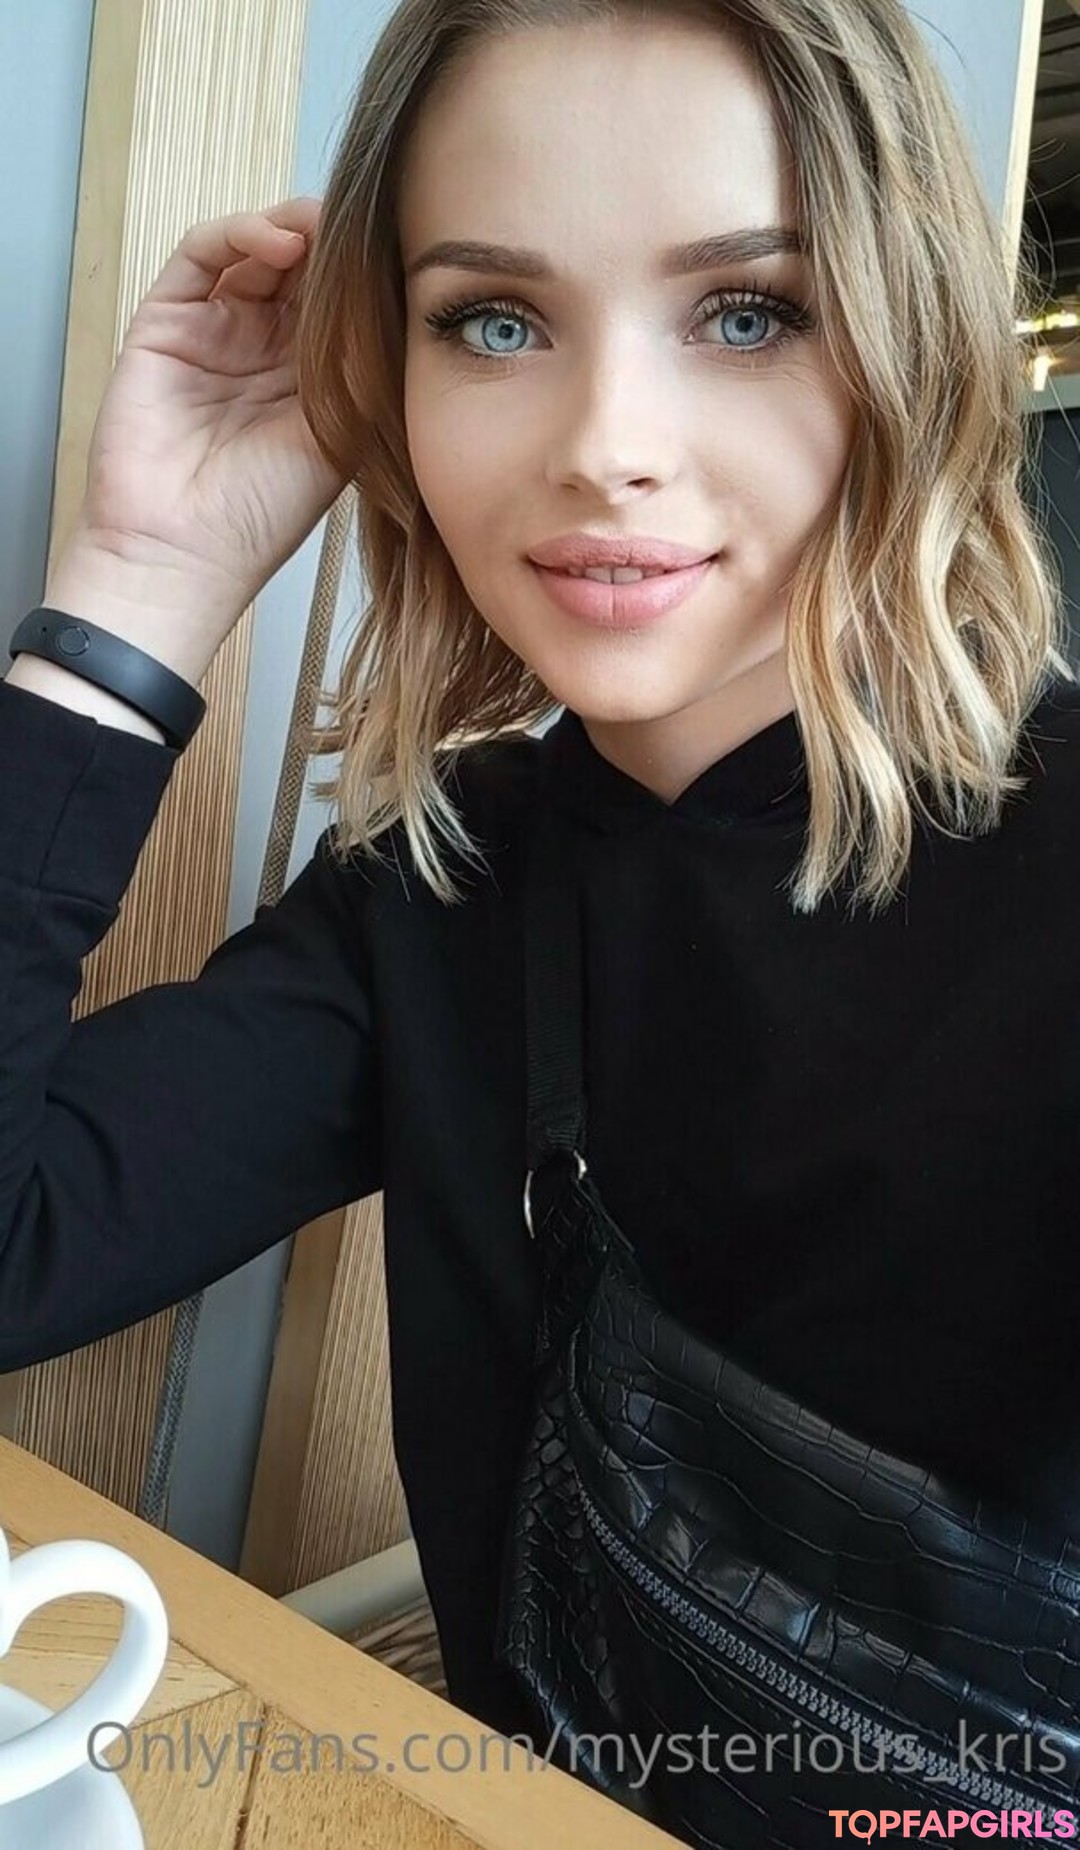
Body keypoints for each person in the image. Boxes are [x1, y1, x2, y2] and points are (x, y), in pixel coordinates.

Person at [0, 0, 1076, 1840]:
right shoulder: (443, 889)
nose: (604, 446)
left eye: (747, 311)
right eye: (495, 321)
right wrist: (137, 592)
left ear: (910, 339)